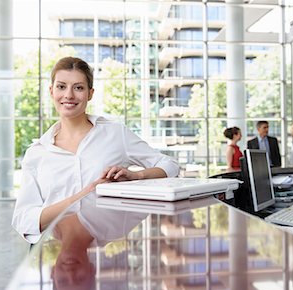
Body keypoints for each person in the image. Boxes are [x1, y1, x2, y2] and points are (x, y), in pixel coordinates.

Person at [12, 56, 180, 244]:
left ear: (90, 93)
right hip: (54, 249)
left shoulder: (115, 134)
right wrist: (82, 195)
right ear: (51, 91)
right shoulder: (37, 153)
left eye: (78, 87)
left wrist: (137, 176)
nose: (69, 95)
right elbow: (23, 219)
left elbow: (170, 165)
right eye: (61, 86)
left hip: (105, 250)